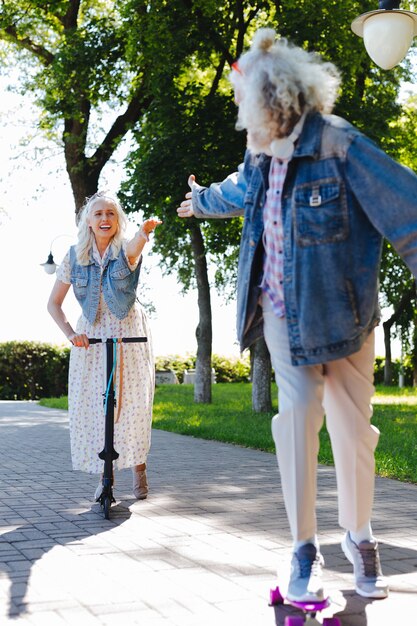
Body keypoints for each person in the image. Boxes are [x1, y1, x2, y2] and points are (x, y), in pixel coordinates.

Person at [177, 28, 417, 602]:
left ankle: (359, 537)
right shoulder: (259, 153)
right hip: (281, 315)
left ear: (277, 101)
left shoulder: (340, 144)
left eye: (245, 105)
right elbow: (240, 190)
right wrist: (202, 200)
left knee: (353, 431)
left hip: (344, 316)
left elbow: (408, 212)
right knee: (297, 420)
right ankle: (303, 547)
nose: (242, 118)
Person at [48, 191, 161, 501]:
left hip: (128, 330)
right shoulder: (74, 256)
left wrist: (142, 233)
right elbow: (54, 305)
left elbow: (133, 255)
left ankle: (139, 466)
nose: (104, 219)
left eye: (111, 214)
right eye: (98, 214)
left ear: (118, 221)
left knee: (133, 402)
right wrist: (72, 334)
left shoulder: (124, 248)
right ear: (88, 221)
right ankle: (105, 476)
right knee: (98, 408)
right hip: (92, 335)